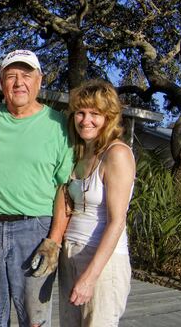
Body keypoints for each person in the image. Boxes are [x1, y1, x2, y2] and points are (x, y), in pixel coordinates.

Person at [0, 49, 74, 327]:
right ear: (1, 83)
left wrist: (53, 240)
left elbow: (65, 189)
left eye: (26, 75)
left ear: (39, 80)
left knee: (35, 318)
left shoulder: (59, 125)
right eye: (11, 76)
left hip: (36, 230)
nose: (19, 83)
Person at [57, 80, 136, 327]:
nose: (85, 120)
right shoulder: (82, 152)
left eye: (95, 114)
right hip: (70, 252)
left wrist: (90, 277)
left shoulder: (117, 154)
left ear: (109, 118)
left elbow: (117, 222)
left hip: (102, 261)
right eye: (80, 112)